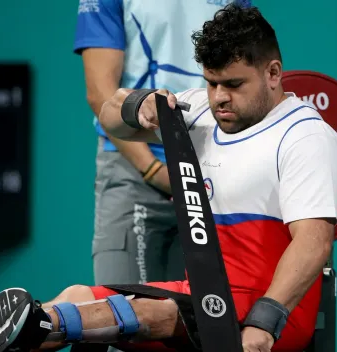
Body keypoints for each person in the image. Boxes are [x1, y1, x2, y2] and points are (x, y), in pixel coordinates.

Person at [0, 4, 337, 352]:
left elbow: (312, 244)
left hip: (271, 309)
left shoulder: (304, 136)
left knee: (153, 313)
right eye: (210, 82)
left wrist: (265, 322)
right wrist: (137, 106)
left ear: (273, 73)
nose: (218, 97)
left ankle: (39, 325)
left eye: (232, 84)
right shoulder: (203, 111)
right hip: (206, 292)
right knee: (79, 295)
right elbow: (109, 116)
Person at [73, 0, 251, 286]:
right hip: (135, 168)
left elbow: (246, 72)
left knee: (208, 319)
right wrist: (155, 170)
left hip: (212, 165)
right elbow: (100, 93)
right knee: (122, 313)